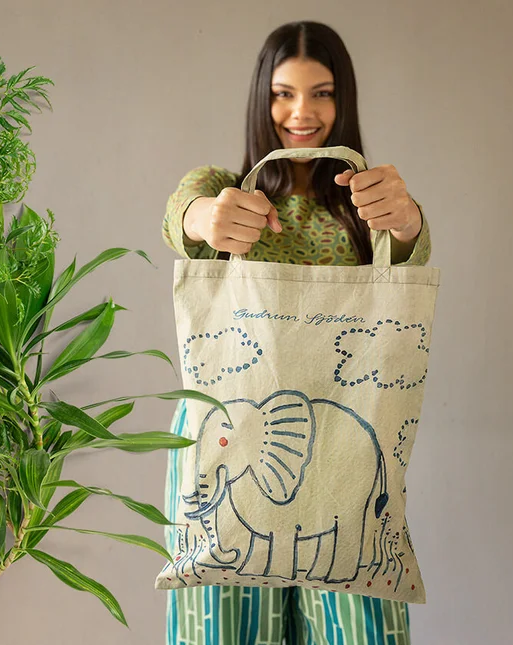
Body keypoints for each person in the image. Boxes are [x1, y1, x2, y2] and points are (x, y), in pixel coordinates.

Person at [161, 20, 430, 645]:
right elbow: (182, 213)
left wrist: (408, 218)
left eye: (323, 93)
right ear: (263, 98)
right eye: (283, 93)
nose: (302, 112)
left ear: (345, 101)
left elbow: (411, 250)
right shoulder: (224, 187)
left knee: (362, 623)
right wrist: (209, 218)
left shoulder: (369, 208)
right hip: (227, 440)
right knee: (221, 629)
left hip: (343, 442)